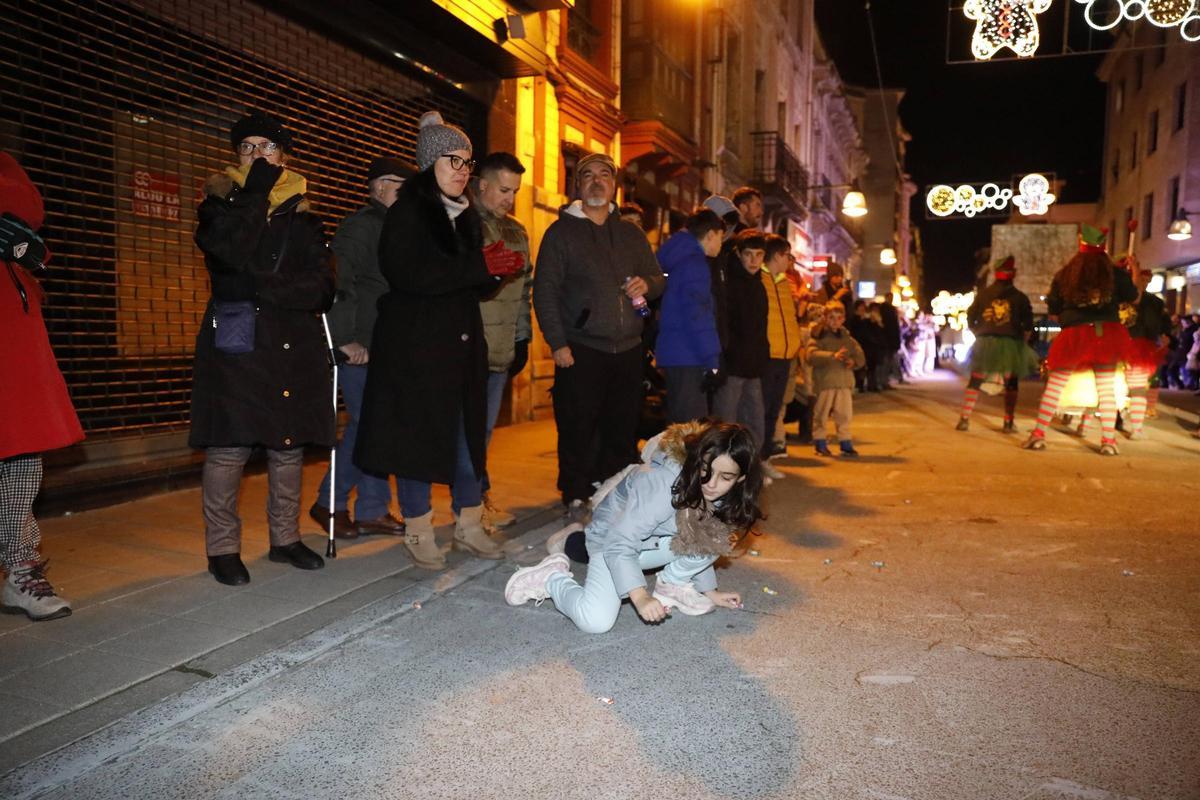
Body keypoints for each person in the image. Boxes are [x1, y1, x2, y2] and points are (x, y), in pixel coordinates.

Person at [355, 112, 524, 570]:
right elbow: (411, 275)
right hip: (417, 349)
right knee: (419, 442)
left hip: (461, 346)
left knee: (468, 441)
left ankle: (469, 524)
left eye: (468, 161)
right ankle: (418, 528)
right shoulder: (408, 212)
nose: (464, 169)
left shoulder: (465, 214)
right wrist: (478, 267)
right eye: (454, 160)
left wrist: (493, 273)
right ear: (430, 162)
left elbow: (465, 283)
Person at [190, 111, 335, 585]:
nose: (257, 155)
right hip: (236, 337)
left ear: (284, 155)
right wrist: (253, 192)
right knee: (229, 444)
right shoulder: (218, 203)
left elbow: (322, 288)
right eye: (247, 148)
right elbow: (228, 257)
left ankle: (285, 539)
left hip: (290, 340)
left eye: (266, 147)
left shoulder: (305, 214)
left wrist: (263, 287)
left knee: (286, 445)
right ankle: (222, 548)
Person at [504, 421, 762, 633]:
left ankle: (672, 585)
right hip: (612, 543)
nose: (711, 484)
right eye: (706, 469)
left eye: (725, 477)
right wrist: (640, 596)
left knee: (718, 532)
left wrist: (711, 591)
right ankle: (551, 579)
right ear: (697, 458)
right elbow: (620, 541)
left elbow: (705, 536)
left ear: (740, 479)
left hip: (653, 544)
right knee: (595, 622)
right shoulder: (662, 483)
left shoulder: (724, 495)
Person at [533, 152, 665, 522]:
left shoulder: (630, 234)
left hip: (628, 349)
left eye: (603, 175)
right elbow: (545, 291)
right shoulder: (561, 233)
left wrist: (648, 284)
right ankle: (575, 495)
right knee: (578, 426)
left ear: (614, 185)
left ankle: (614, 494)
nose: (596, 181)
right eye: (587, 175)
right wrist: (558, 343)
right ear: (577, 186)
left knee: (621, 428)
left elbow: (656, 279)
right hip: (581, 347)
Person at [309, 156, 414, 540]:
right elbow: (338, 282)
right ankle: (329, 502)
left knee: (377, 430)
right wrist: (344, 339)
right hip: (360, 347)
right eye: (402, 188)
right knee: (367, 428)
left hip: (386, 346)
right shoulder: (361, 226)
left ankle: (371, 509)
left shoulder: (394, 227)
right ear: (380, 187)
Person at [0, 151, 81, 620]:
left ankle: (20, 568)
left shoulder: (5, 163)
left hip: (14, 331)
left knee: (23, 459)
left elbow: (28, 209)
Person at [1022, 225, 1136, 455]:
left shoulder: (1065, 274)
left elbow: (1053, 306)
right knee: (1106, 389)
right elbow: (1133, 296)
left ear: (1080, 246)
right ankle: (1108, 441)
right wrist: (1130, 272)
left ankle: (1038, 435)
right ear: (1103, 247)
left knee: (1055, 386)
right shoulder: (1115, 274)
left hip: (1075, 334)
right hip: (1108, 334)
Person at [472, 151, 533, 532]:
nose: (509, 198)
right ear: (482, 185)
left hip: (500, 352)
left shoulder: (518, 232)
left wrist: (522, 338)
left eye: (515, 191)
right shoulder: (464, 225)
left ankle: (478, 501)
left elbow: (524, 290)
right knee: (464, 433)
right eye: (504, 190)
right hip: (468, 347)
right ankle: (471, 506)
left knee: (482, 434)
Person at [712, 230, 776, 479]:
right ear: (738, 254)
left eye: (759, 255)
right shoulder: (728, 284)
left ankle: (749, 468)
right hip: (732, 364)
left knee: (755, 421)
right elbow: (724, 325)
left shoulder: (759, 285)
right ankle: (723, 470)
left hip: (754, 365)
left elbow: (760, 327)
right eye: (748, 254)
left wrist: (763, 358)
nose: (753, 260)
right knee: (726, 421)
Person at [655, 207, 727, 424]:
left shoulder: (678, 258)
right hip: (689, 355)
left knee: (679, 425)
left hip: (674, 353)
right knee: (690, 431)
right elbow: (698, 315)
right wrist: (712, 360)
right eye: (721, 238)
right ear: (711, 234)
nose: (720, 245)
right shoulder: (695, 264)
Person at [955, 255, 1037, 433]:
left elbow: (970, 317)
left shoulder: (983, 294)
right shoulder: (1020, 297)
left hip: (985, 342)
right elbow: (1028, 324)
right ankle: (1008, 421)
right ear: (1013, 274)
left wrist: (979, 332)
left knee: (976, 380)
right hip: (1011, 343)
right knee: (1011, 383)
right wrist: (1023, 340)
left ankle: (964, 418)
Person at [759, 234, 802, 462]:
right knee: (762, 410)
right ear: (777, 255)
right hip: (767, 355)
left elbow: (791, 317)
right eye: (788, 255)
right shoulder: (760, 278)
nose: (790, 260)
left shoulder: (785, 282)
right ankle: (757, 460)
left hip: (785, 355)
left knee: (775, 410)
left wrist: (795, 343)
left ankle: (765, 458)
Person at [807, 300, 866, 457]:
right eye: (831, 317)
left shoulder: (847, 338)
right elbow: (811, 355)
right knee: (821, 414)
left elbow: (860, 356)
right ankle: (820, 442)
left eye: (838, 318)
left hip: (844, 382)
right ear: (825, 318)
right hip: (825, 382)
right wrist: (832, 356)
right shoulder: (818, 336)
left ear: (843, 319)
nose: (835, 321)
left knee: (845, 414)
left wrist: (853, 362)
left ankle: (845, 442)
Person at [1121, 264, 1171, 439]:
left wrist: (1163, 337)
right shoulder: (1120, 298)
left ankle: (1136, 427)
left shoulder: (1154, 302)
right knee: (1112, 387)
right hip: (1118, 345)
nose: (1144, 282)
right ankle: (1117, 422)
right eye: (1141, 278)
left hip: (1139, 348)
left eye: (1146, 280)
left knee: (1137, 389)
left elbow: (1159, 325)